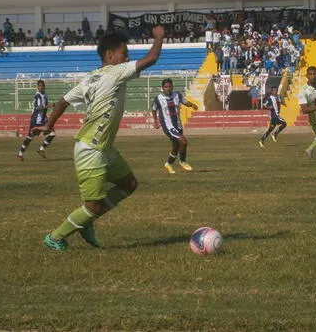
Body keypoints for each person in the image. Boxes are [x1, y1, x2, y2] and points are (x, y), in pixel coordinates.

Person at [34, 25, 165, 251]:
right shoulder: (115, 72)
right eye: (125, 53)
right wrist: (159, 36)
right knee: (92, 206)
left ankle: (86, 222)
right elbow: (152, 58)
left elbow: (64, 101)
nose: (127, 57)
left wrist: (49, 125)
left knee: (129, 184)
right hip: (91, 150)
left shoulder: (90, 78)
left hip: (103, 148)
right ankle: (55, 237)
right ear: (110, 55)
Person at [151, 78, 199, 174]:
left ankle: (168, 164)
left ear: (172, 87)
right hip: (168, 126)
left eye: (169, 86)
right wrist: (155, 121)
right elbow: (153, 109)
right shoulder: (158, 99)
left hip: (177, 124)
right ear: (162, 88)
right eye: (165, 87)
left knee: (176, 145)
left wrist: (192, 105)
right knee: (184, 141)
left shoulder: (177, 95)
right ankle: (183, 161)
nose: (168, 88)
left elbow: (185, 102)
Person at [17, 80, 56, 161]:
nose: (41, 87)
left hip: (43, 119)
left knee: (52, 133)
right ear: (37, 87)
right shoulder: (38, 96)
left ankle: (41, 149)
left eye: (42, 85)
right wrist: (48, 106)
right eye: (39, 86)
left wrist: (48, 108)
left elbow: (45, 106)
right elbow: (37, 108)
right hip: (36, 120)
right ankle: (20, 154)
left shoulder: (45, 95)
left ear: (44, 86)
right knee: (30, 137)